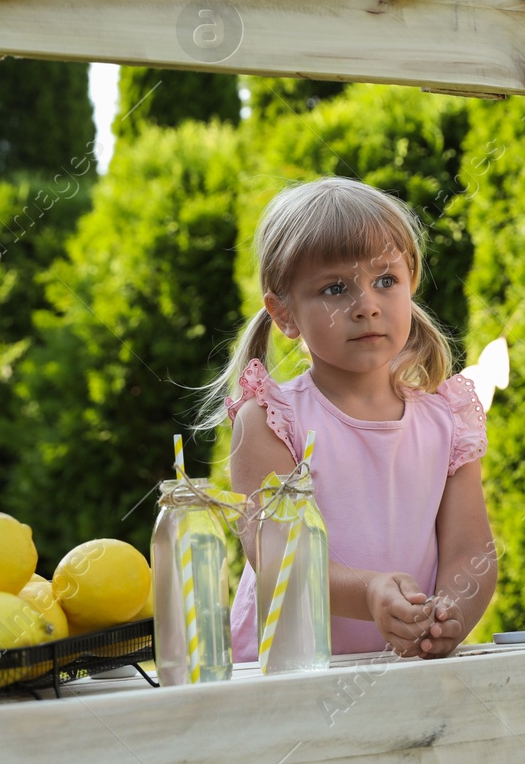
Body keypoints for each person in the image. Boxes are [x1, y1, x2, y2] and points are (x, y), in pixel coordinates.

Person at [202, 177, 494, 660]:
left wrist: (450, 615)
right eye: (335, 288)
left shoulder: (449, 421)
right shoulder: (271, 421)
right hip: (284, 676)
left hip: (402, 669)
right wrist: (370, 595)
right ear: (284, 314)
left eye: (385, 280)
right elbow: (277, 558)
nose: (366, 306)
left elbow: (471, 551)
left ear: (411, 284)